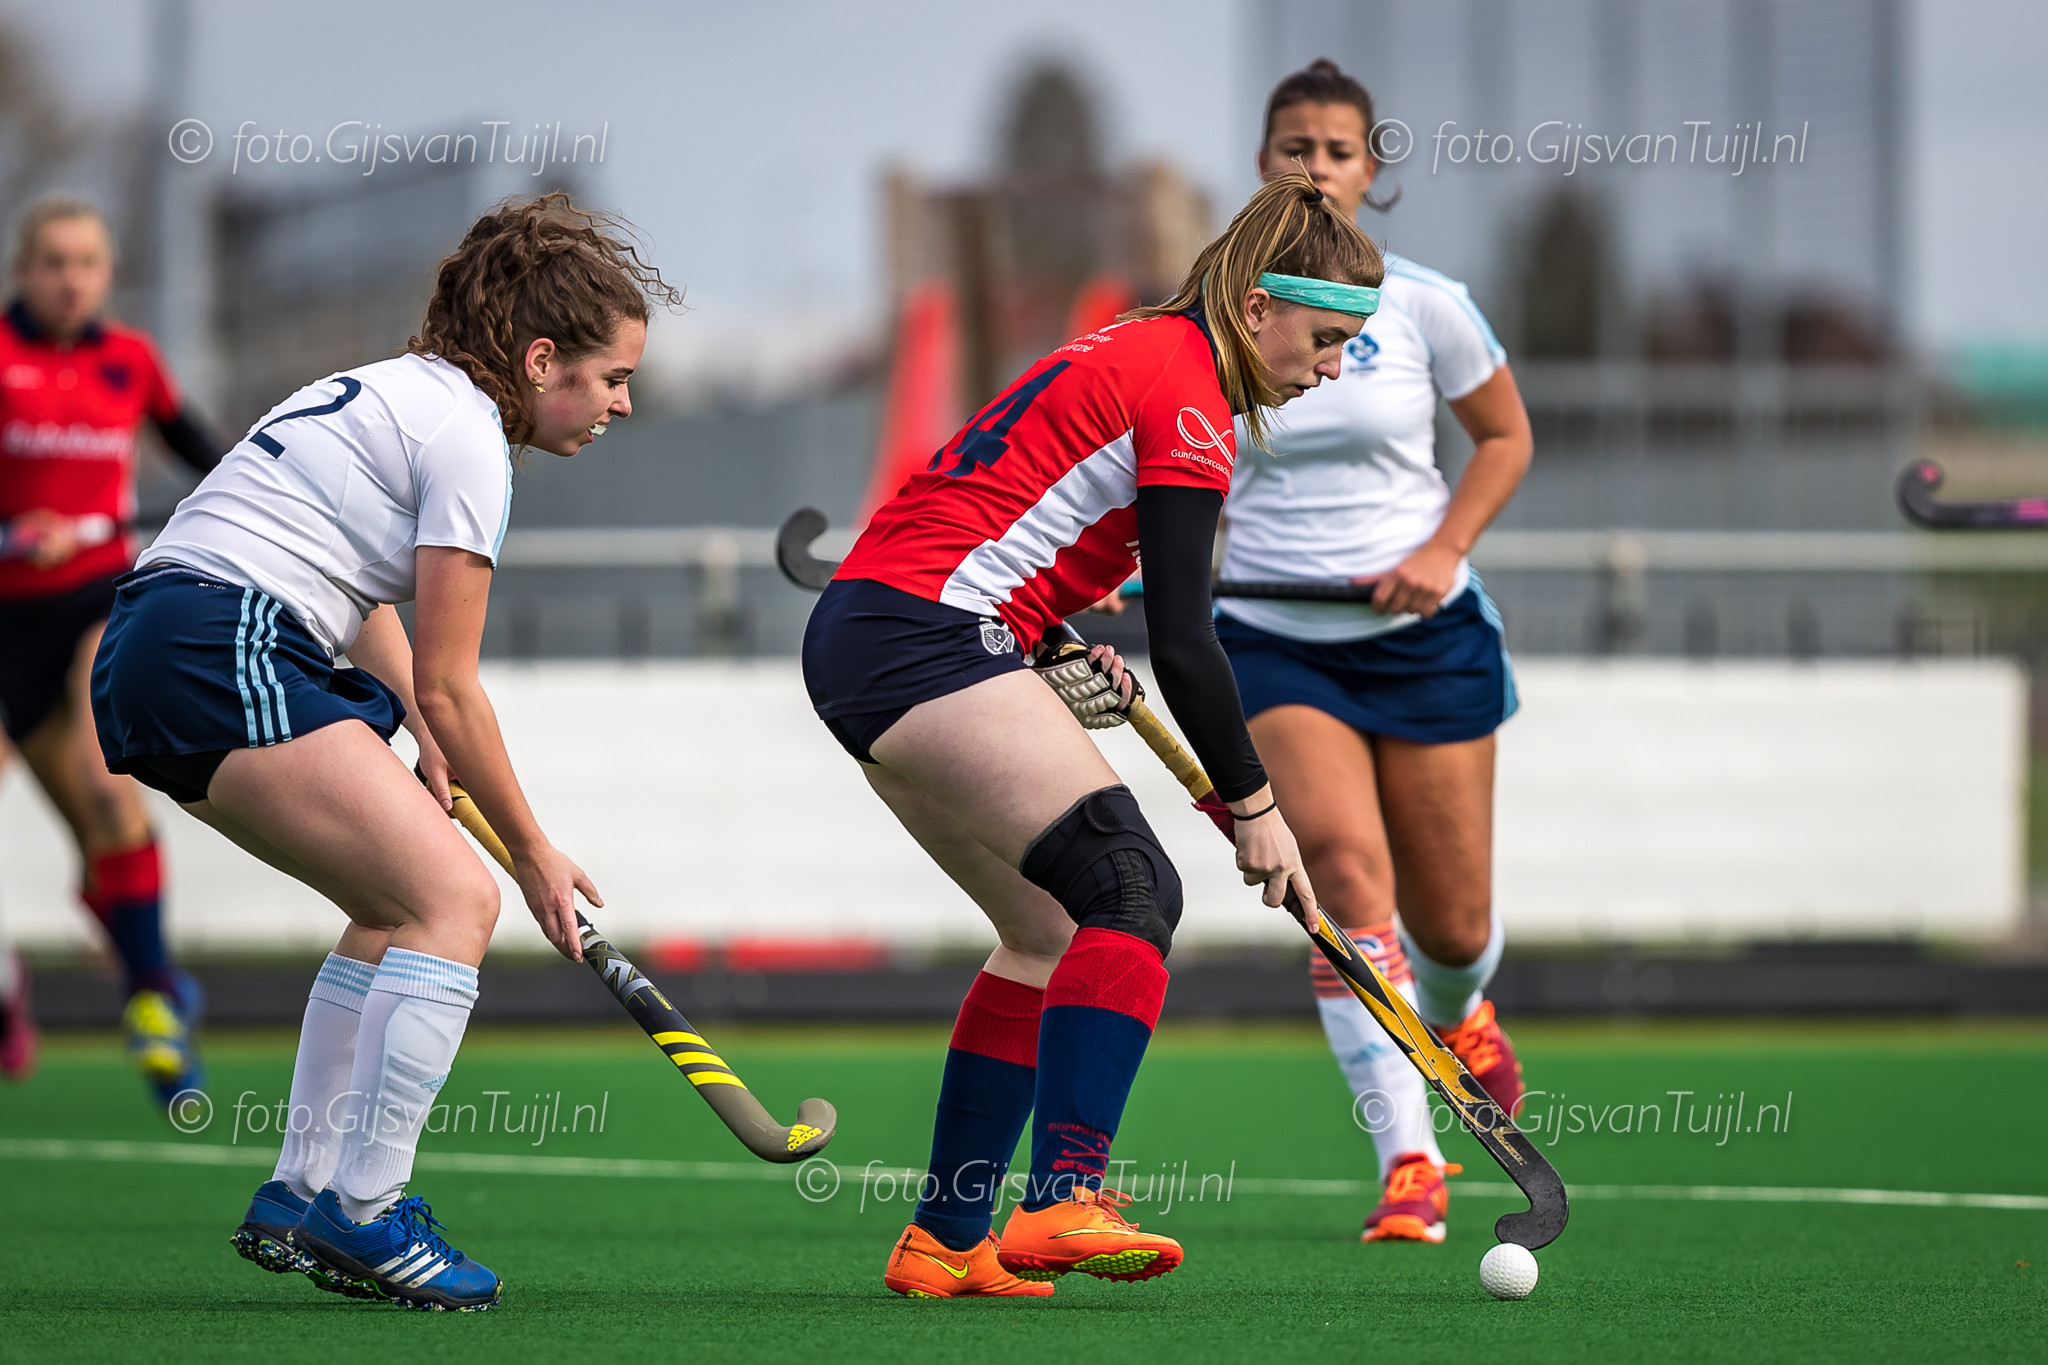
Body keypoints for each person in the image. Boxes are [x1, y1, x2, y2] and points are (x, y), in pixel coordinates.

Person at [90, 192, 675, 1312]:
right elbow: (455, 683)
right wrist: (533, 849)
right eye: (611, 377)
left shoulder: (394, 393)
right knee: (459, 899)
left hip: (162, 642)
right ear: (540, 359)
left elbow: (363, 597)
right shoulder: (470, 441)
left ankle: (303, 1189)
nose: (623, 402)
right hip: (225, 639)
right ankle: (366, 1212)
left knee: (390, 906)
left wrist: (418, 724)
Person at [804, 170, 1379, 1299]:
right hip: (929, 633)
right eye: (1324, 340)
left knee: (1045, 929)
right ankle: (1063, 1195)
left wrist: (1040, 628)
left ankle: (944, 1237)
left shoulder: (1138, 348)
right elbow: (1186, 639)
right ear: (1255, 307)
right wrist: (1255, 808)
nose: (1331, 368)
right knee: (1130, 886)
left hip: (884, 630)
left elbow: (1001, 509)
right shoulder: (1190, 394)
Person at [1223, 60, 1535, 1245]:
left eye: (1336, 150)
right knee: (1347, 882)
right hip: (1274, 644)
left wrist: (1443, 550)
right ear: (1261, 163)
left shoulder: (1423, 305)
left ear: (1370, 171)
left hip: (1421, 639)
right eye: (1292, 148)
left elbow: (1503, 438)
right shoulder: (1216, 315)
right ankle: (1408, 1160)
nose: (1314, 168)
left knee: (1450, 931)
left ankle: (1459, 1009)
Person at [0, 196, 227, 1105]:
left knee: (108, 788)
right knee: (96, 852)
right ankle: (106, 977)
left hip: (96, 598)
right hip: (6, 617)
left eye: (87, 263)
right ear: (24, 269)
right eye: (54, 261)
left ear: (107, 274)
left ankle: (152, 1000)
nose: (71, 279)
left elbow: (207, 451)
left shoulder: (130, 360)